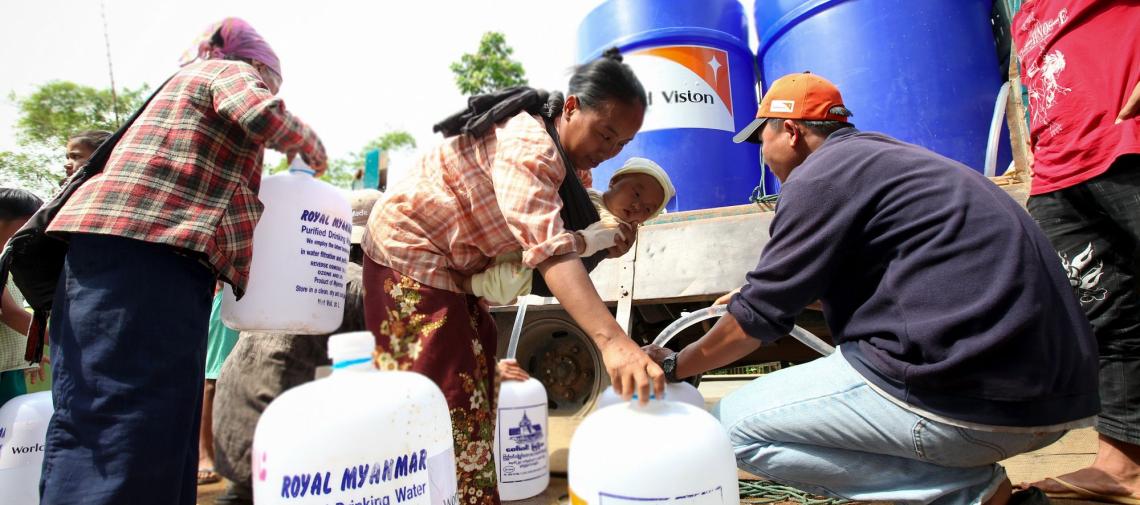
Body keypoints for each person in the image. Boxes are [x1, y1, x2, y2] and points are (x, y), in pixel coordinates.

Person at [642, 72, 1099, 505]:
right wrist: (761, 299)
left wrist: (677, 364)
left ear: (790, 131)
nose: (762, 152)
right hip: (1056, 401)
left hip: (972, 401)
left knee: (724, 433)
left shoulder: (819, 177)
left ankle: (967, 494)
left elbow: (756, 320)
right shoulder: (889, 160)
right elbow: (889, 284)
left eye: (762, 137)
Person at [39, 18, 327, 505]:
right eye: (273, 80)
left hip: (145, 260)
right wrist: (311, 150)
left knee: (159, 419)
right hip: (143, 256)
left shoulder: (175, 93)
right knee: (122, 420)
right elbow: (262, 115)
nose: (270, 87)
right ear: (258, 64)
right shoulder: (227, 69)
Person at [362, 48, 665, 505]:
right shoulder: (530, 144)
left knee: (477, 382)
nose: (609, 151)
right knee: (440, 399)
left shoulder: (573, 169)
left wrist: (598, 243)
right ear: (571, 108)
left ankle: (467, 493)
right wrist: (612, 342)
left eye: (621, 144)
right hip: (410, 258)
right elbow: (549, 252)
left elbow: (563, 251)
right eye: (605, 134)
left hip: (457, 272)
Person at [1011, 2, 1140, 502]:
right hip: (1062, 173)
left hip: (1126, 147)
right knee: (1103, 319)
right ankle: (1124, 467)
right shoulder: (1025, 14)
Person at [210, 189, 379, 505]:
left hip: (235, 410)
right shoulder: (359, 283)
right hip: (282, 424)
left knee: (244, 495)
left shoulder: (290, 268)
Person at [467, 156, 675, 305]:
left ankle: (468, 286)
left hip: (551, 262)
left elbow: (598, 237)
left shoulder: (618, 228)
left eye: (648, 209)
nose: (638, 206)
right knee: (503, 260)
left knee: (510, 278)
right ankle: (491, 291)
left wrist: (578, 241)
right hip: (536, 245)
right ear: (614, 181)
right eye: (636, 194)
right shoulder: (589, 195)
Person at [0, 188, 43, 405]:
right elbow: (11, 314)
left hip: (9, 369)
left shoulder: (7, 261)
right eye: (28, 225)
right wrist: (59, 340)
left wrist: (31, 351)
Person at [197, 282, 240, 486]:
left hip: (243, 301)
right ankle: (204, 454)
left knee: (236, 377)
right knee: (213, 379)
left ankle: (222, 451)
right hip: (226, 298)